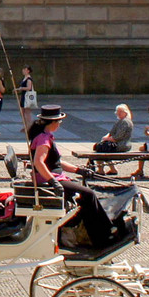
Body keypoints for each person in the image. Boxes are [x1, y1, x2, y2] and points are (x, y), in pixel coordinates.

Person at [28, 105, 111, 247]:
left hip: (54, 177)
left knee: (85, 197)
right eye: (59, 121)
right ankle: (103, 233)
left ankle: (93, 232)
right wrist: (53, 181)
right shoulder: (44, 139)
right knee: (89, 194)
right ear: (53, 122)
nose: (60, 124)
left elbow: (57, 162)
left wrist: (79, 170)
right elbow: (38, 162)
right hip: (50, 179)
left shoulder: (45, 136)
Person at [17, 67, 37, 131]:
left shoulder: (29, 79)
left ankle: (29, 127)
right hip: (24, 96)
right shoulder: (24, 78)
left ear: (28, 71)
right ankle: (25, 126)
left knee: (27, 112)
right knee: (22, 112)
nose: (23, 71)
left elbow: (29, 88)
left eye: (25, 70)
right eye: (23, 69)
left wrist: (21, 88)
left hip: (27, 96)